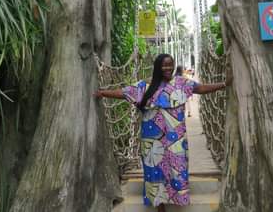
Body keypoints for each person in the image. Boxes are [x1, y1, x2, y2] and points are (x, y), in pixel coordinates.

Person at [94, 53, 231, 212]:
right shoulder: (145, 85)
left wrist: (223, 84)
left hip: (176, 138)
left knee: (177, 166)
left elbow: (200, 88)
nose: (168, 68)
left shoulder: (181, 83)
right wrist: (103, 93)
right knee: (155, 170)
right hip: (152, 139)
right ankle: (160, 206)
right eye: (165, 65)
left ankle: (177, 199)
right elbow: (124, 93)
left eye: (170, 64)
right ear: (158, 67)